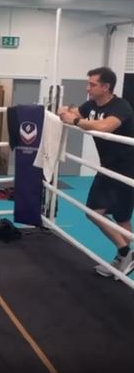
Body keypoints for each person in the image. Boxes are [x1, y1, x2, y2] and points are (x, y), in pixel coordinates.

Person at [59, 67, 134, 277]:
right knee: (121, 218)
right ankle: (124, 259)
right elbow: (72, 112)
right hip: (109, 166)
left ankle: (126, 252)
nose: (88, 88)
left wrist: (74, 120)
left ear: (106, 87)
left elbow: (103, 127)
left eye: (92, 84)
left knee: (95, 212)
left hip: (126, 168)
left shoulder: (121, 106)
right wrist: (67, 111)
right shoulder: (91, 105)